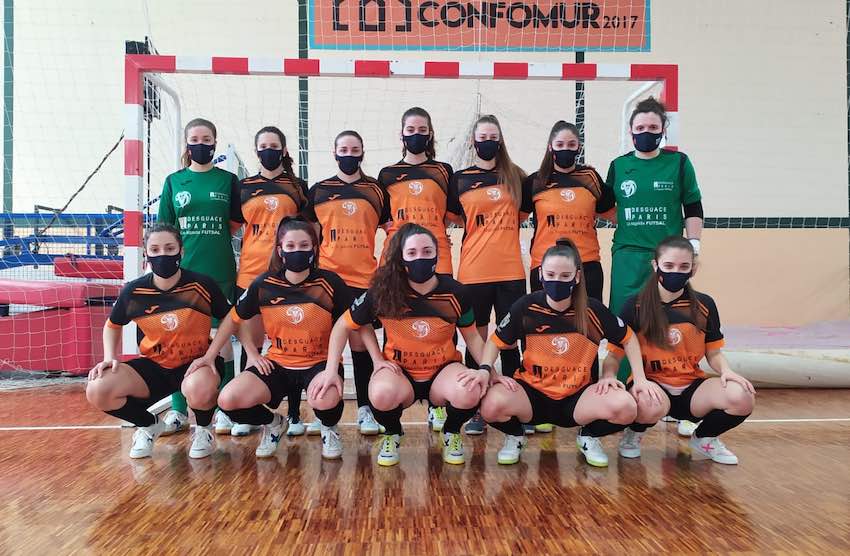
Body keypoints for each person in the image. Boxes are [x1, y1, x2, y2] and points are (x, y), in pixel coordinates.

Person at [320, 223, 489, 466]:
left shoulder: (456, 293)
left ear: (437, 254)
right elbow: (343, 326)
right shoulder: (384, 291)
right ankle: (392, 433)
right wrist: (336, 369)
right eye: (412, 253)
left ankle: (451, 431)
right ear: (401, 258)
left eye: (427, 251)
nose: (420, 258)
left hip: (442, 371)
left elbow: (472, 337)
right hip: (400, 372)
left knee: (471, 389)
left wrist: (487, 370)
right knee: (380, 393)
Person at [187, 217, 352, 459]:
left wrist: (332, 368)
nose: (297, 251)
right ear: (280, 250)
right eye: (290, 246)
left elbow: (352, 323)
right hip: (278, 363)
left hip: (318, 363)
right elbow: (233, 319)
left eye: (304, 245)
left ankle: (328, 427)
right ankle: (274, 423)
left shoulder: (330, 282)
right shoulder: (264, 284)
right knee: (229, 399)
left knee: (326, 399)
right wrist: (225, 355)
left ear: (314, 249)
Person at [477, 238, 648, 467]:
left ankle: (588, 437)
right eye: (551, 274)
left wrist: (638, 378)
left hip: (577, 399)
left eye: (565, 276)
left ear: (576, 277)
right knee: (489, 404)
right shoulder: (526, 307)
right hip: (532, 395)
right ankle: (515, 436)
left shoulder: (592, 310)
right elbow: (494, 342)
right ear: (541, 275)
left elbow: (629, 338)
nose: (556, 281)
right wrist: (486, 370)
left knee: (627, 407)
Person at [85, 224, 230, 459]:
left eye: (169, 248)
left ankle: (204, 430)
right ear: (146, 254)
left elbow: (230, 318)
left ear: (181, 251)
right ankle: (150, 425)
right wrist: (109, 357)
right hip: (154, 366)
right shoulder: (134, 291)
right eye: (155, 249)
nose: (162, 254)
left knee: (199, 388)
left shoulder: (202, 285)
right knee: (98, 388)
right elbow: (112, 325)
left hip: (196, 364)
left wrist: (211, 354)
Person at [606, 97, 706, 434]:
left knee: (674, 323)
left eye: (653, 127)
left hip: (668, 259)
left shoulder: (679, 162)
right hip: (628, 255)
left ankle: (680, 401)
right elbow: (606, 207)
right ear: (631, 131)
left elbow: (693, 205)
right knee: (623, 324)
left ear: (663, 130)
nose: (646, 132)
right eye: (640, 127)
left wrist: (693, 246)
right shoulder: (619, 166)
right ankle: (623, 394)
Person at [610, 236, 755, 464]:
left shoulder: (705, 305)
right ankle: (634, 433)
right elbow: (614, 354)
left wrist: (726, 371)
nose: (675, 272)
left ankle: (705, 438)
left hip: (691, 388)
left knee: (743, 396)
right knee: (647, 404)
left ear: (693, 269)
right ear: (655, 265)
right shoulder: (634, 305)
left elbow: (714, 353)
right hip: (653, 385)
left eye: (683, 266)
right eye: (668, 266)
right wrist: (610, 378)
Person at [156, 117, 245, 436]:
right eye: (195, 139)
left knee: (222, 338)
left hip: (219, 269)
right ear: (187, 144)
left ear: (214, 142)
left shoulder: (228, 180)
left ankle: (223, 408)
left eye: (207, 139)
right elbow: (165, 229)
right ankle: (178, 409)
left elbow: (234, 224)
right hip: (182, 274)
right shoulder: (174, 181)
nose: (201, 144)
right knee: (177, 340)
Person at [447, 114, 531, 435]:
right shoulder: (460, 179)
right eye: (482, 137)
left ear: (500, 140)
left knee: (509, 340)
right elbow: (456, 218)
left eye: (493, 137)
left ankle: (515, 406)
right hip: (473, 271)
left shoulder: (517, 177)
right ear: (474, 141)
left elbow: (522, 215)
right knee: (476, 339)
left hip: (510, 271)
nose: (487, 142)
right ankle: (477, 409)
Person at [302, 130, 388, 435]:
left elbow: (392, 229)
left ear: (362, 153)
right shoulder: (319, 190)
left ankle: (365, 408)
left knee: (360, 345)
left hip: (364, 278)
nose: (349, 154)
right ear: (334, 153)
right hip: (328, 279)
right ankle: (325, 411)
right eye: (343, 149)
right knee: (329, 345)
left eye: (354, 149)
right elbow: (310, 236)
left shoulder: (376, 190)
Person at [377, 106, 455, 434]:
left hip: (438, 256)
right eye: (410, 129)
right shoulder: (387, 174)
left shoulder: (443, 171)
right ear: (401, 134)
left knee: (442, 324)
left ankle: (439, 401)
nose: (416, 134)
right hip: (397, 259)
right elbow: (382, 218)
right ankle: (392, 393)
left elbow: (452, 214)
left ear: (430, 134)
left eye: (422, 129)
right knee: (394, 323)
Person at [236, 126, 311, 437]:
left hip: (286, 274)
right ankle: (249, 411)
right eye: (263, 146)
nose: (269, 150)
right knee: (251, 342)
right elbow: (234, 226)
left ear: (284, 150)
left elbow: (307, 230)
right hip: (251, 272)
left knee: (291, 341)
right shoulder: (244, 186)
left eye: (274, 145)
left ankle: (293, 413)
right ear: (257, 151)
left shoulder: (297, 186)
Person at [526, 120, 614, 300]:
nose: (565, 149)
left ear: (579, 147)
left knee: (589, 316)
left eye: (571, 144)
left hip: (587, 265)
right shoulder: (535, 181)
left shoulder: (590, 177)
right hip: (546, 266)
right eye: (560, 145)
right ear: (550, 147)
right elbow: (515, 218)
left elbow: (612, 213)